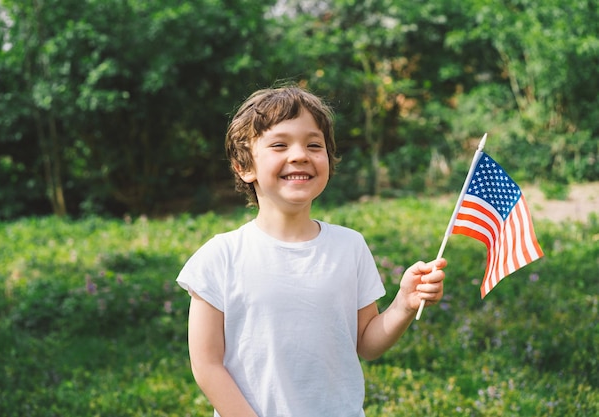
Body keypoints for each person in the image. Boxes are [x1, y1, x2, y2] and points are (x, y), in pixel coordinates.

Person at [176, 85, 446, 417]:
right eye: (279, 144)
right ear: (244, 166)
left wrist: (404, 304)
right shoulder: (220, 257)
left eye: (314, 145)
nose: (300, 154)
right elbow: (207, 365)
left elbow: (366, 343)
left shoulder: (350, 247)